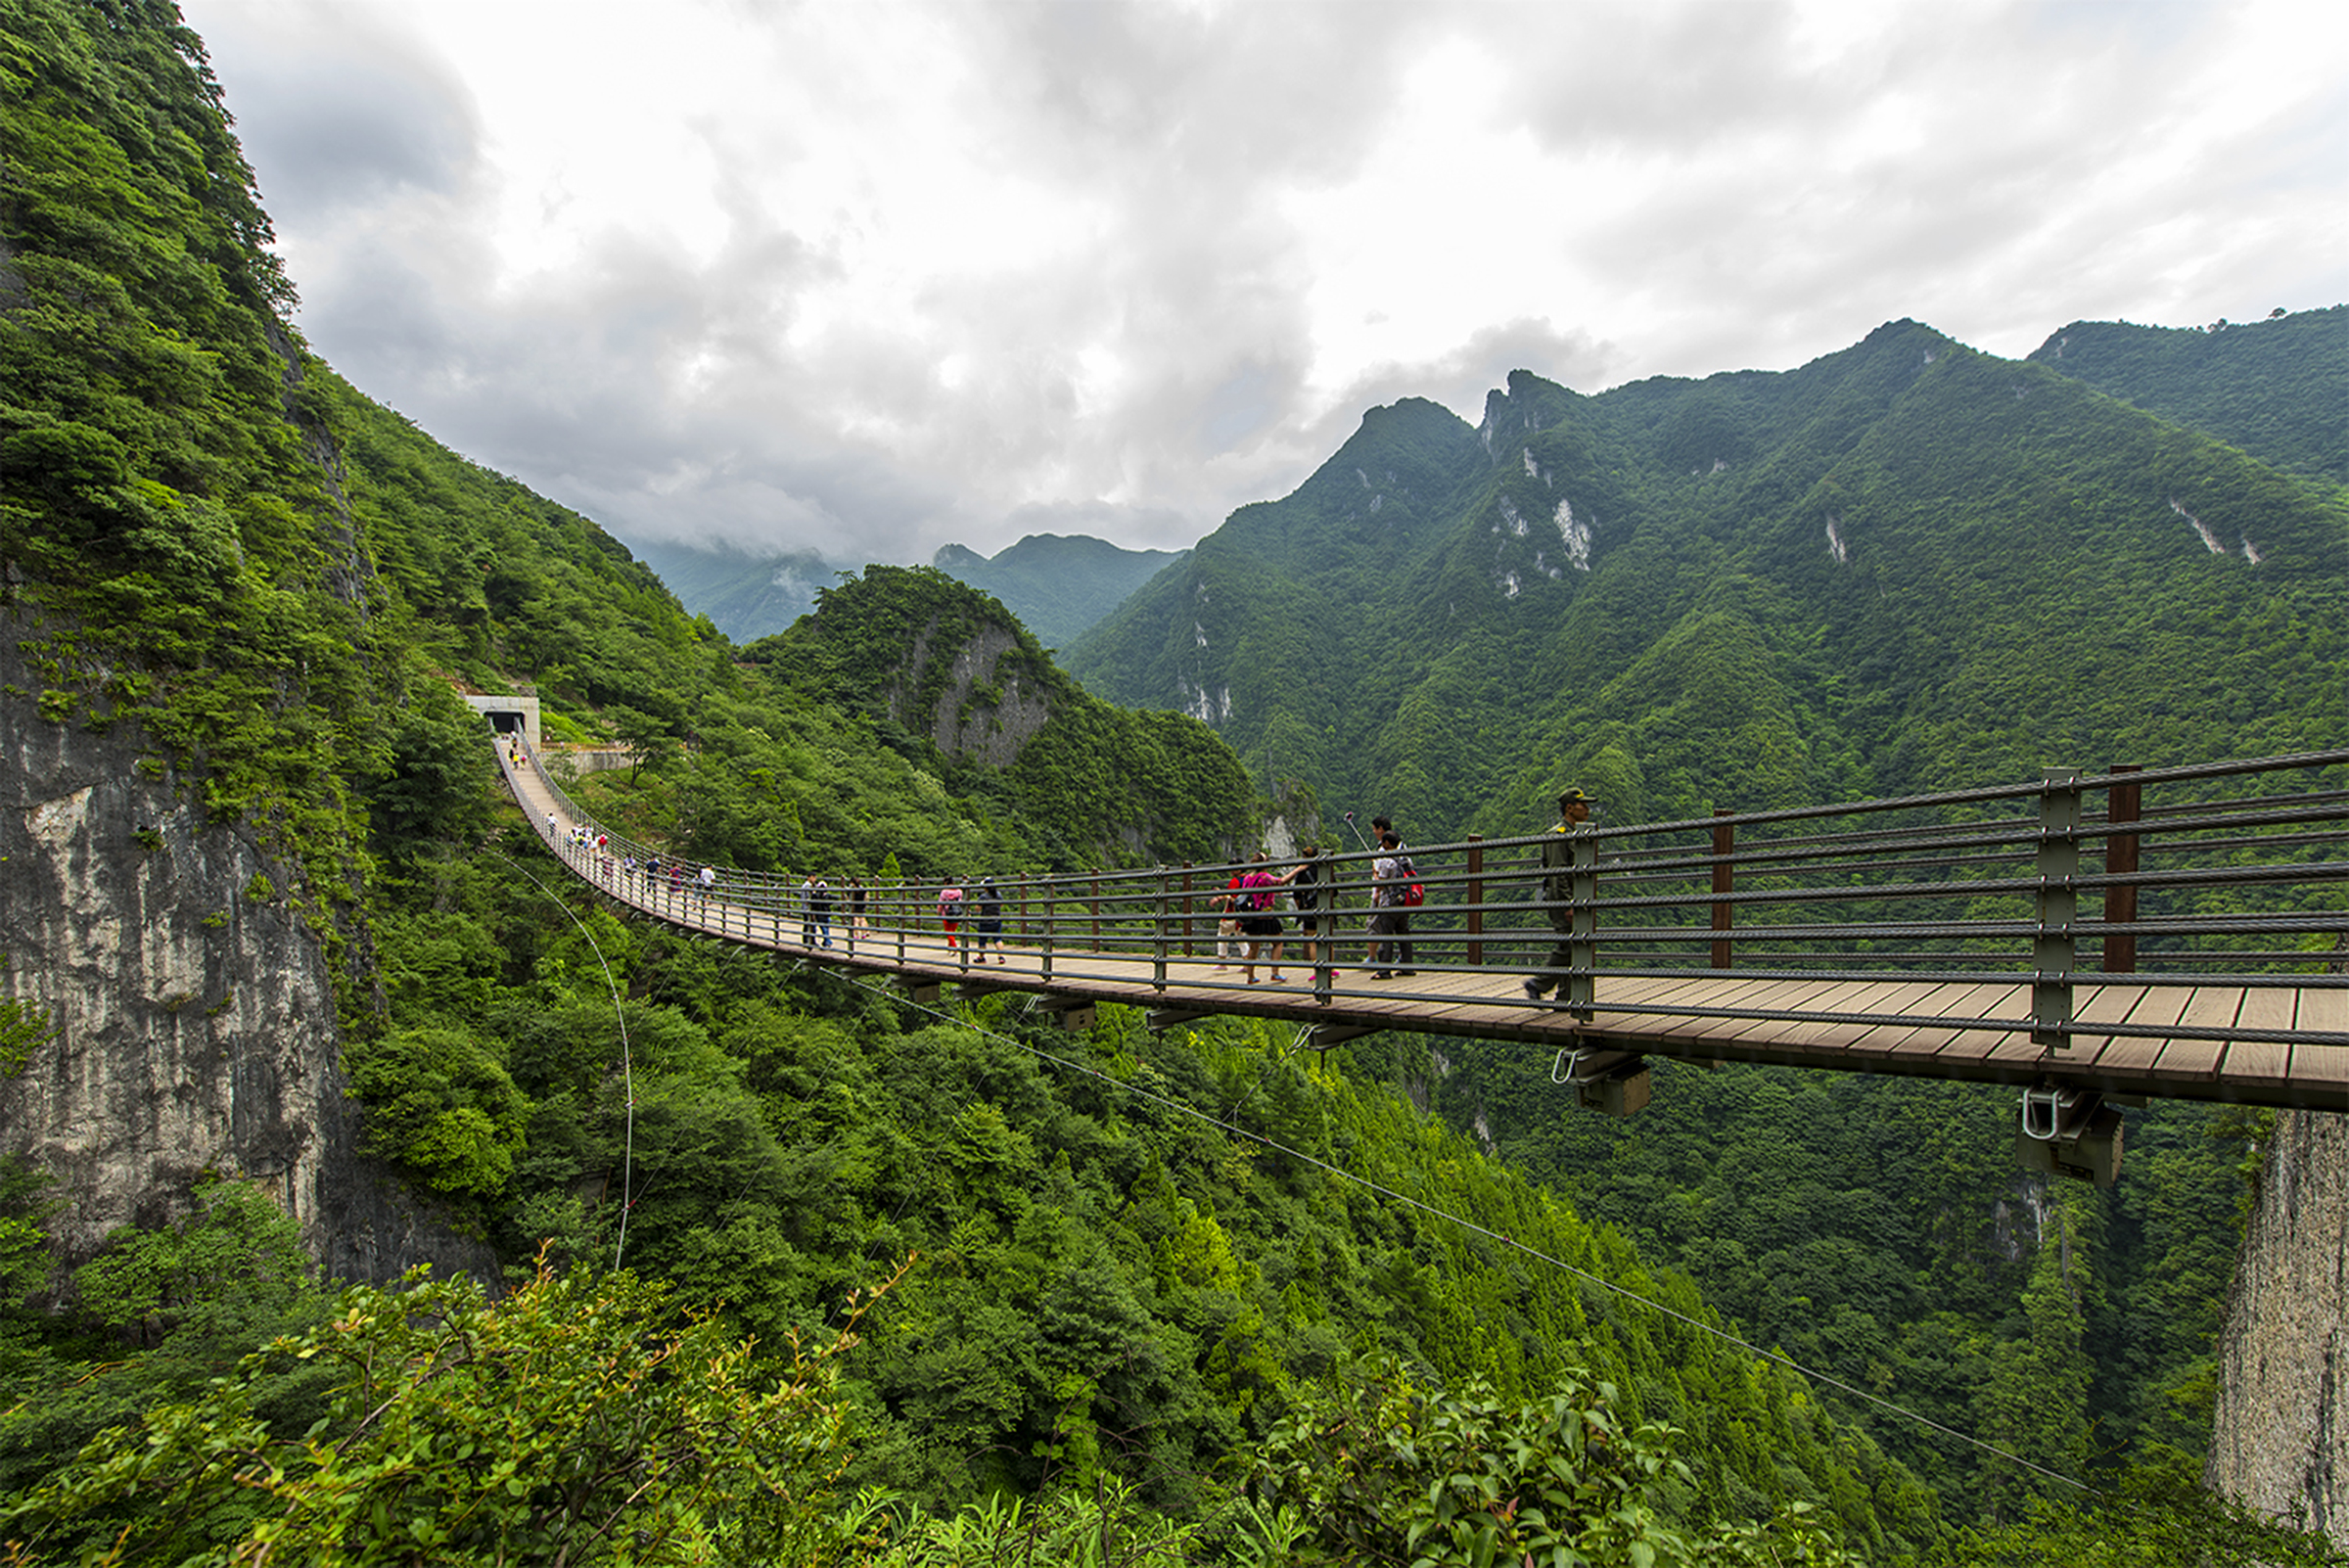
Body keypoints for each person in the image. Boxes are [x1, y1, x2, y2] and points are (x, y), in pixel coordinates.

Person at [1525, 788, 1593, 1001]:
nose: (1588, 809)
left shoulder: (1576, 833)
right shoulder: (1558, 835)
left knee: (1574, 947)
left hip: (1575, 900)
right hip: (1562, 900)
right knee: (1569, 945)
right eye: (1583, 805)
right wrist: (1567, 906)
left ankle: (1564, 998)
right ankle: (1538, 984)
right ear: (1570, 808)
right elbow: (1557, 875)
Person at [1369, 830, 1416, 979]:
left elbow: (1381, 884)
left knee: (1387, 936)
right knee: (1404, 934)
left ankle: (1384, 970)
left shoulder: (1386, 861)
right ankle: (1407, 967)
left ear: (1388, 844)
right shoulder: (1405, 858)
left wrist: (1375, 874)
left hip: (1389, 903)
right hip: (1404, 901)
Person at [1235, 853, 1287, 984]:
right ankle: (1275, 973)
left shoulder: (1247, 877)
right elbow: (1281, 882)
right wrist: (1298, 869)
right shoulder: (1264, 876)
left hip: (1252, 915)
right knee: (1277, 942)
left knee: (1254, 947)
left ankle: (1251, 976)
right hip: (1266, 914)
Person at [1288, 844, 1331, 976]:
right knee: (1328, 939)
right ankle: (1332, 969)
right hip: (1325, 907)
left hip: (1309, 908)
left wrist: (1301, 908)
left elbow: (1296, 894)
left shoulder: (1302, 872)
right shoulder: (1325, 869)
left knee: (1313, 940)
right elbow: (1333, 892)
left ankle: (1317, 970)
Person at [973, 876, 1004, 963]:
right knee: (997, 939)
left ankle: (981, 957)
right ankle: (1001, 956)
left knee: (982, 940)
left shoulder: (983, 897)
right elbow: (1001, 905)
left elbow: (977, 908)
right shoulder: (998, 895)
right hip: (996, 920)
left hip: (985, 921)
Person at [938, 880, 966, 962]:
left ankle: (954, 948)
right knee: (952, 931)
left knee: (948, 932)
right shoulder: (959, 891)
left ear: (945, 883)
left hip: (946, 914)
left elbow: (941, 903)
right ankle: (950, 949)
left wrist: (938, 911)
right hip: (956, 913)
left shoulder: (944, 892)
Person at [810, 878, 834, 946]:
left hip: (819, 914)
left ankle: (827, 941)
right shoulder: (828, 895)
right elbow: (830, 903)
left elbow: (813, 905)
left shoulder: (815, 896)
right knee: (826, 928)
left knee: (823, 928)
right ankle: (827, 941)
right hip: (827, 913)